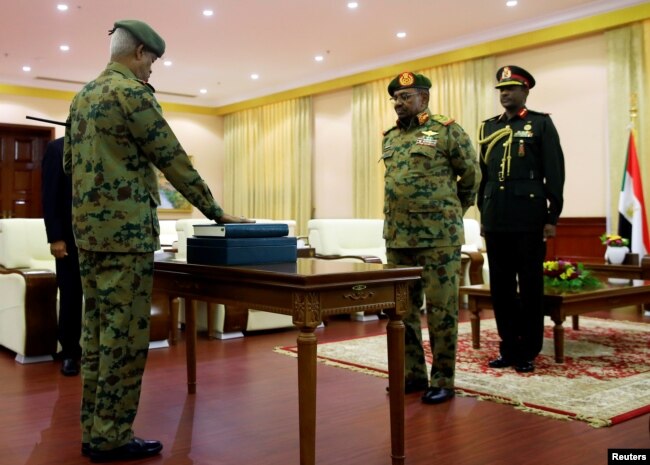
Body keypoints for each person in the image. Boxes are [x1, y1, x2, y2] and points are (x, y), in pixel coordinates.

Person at [63, 20, 251, 462]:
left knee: (96, 334)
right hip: (126, 237)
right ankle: (111, 438)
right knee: (125, 339)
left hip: (89, 235)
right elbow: (171, 157)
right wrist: (214, 210)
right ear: (140, 53)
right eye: (153, 62)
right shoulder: (131, 94)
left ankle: (94, 429)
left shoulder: (83, 96)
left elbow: (70, 163)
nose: (153, 72)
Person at [381, 71, 481, 404]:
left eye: (406, 97)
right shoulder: (390, 138)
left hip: (439, 239)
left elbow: (471, 177)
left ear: (424, 97)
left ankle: (443, 380)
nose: (399, 103)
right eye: (396, 98)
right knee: (402, 312)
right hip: (398, 238)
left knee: (442, 310)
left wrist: (449, 212)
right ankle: (411, 375)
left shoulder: (447, 131)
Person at [477, 65, 565, 373]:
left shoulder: (540, 124)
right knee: (500, 288)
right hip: (496, 217)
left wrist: (552, 216)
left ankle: (528, 350)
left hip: (529, 219)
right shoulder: (488, 127)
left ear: (525, 91)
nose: (505, 94)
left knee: (530, 287)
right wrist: (483, 217)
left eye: (511, 89)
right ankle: (508, 347)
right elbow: (483, 176)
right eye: (501, 89)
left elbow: (554, 173)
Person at [42, 136, 83, 377]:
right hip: (69, 238)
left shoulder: (103, 143)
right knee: (70, 295)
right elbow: (50, 195)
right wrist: (55, 237)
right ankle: (69, 353)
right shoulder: (57, 148)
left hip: (101, 238)